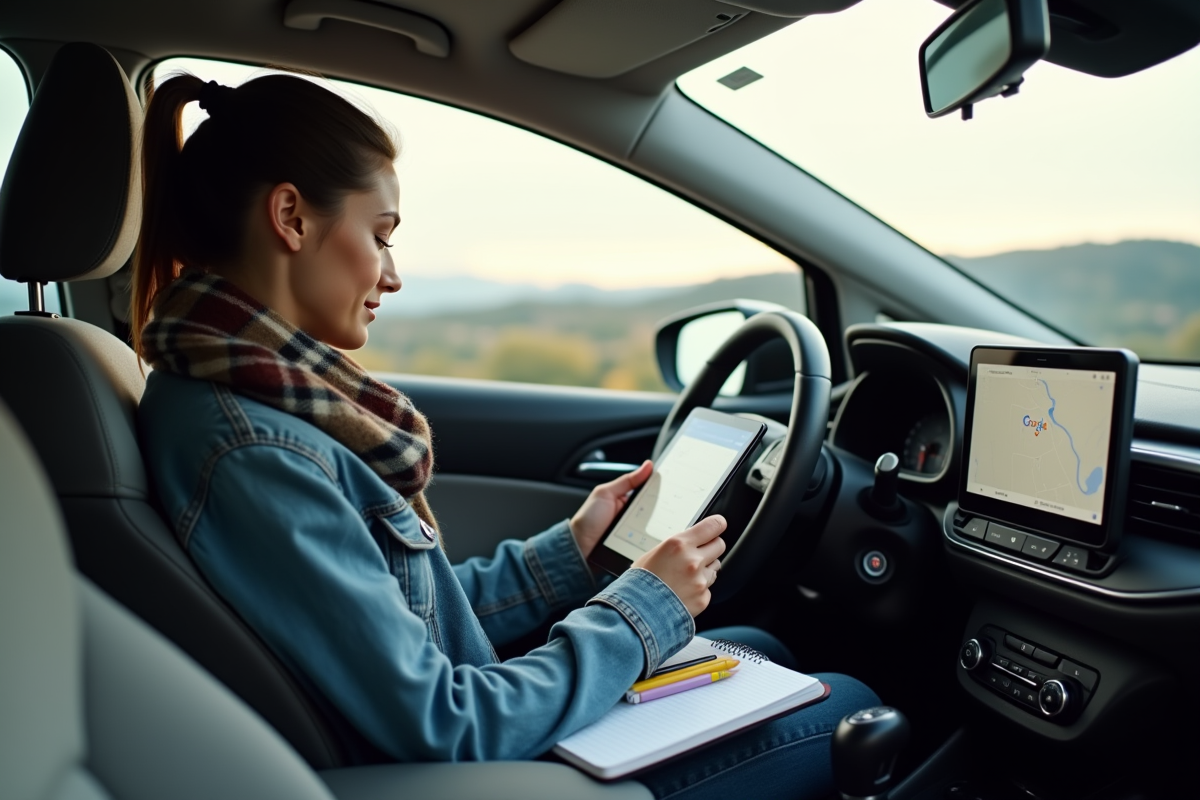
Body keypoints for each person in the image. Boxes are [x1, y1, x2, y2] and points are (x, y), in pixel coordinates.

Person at [134, 72, 878, 798]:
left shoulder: (255, 400)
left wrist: (572, 558)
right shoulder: (256, 446)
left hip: (454, 744)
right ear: (292, 217)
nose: (391, 275)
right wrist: (646, 605)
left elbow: (396, 619)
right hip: (461, 767)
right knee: (843, 702)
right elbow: (444, 722)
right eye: (381, 234)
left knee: (763, 654)